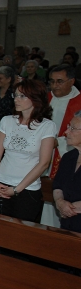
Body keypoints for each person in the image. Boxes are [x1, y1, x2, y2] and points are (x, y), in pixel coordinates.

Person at [0, 79, 55, 223]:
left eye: (22, 96)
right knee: (0, 233)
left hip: (27, 188)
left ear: (36, 99)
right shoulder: (7, 121)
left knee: (20, 236)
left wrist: (17, 189)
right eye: (16, 95)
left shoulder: (47, 126)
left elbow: (44, 163)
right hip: (2, 183)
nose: (17, 100)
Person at [40, 64, 81, 226]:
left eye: (59, 81)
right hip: (43, 151)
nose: (54, 86)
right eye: (52, 81)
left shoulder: (78, 102)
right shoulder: (46, 98)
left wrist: (56, 141)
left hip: (65, 151)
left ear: (71, 81)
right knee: (50, 191)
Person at [52, 111, 81, 232]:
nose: (66, 132)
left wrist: (69, 208)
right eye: (68, 126)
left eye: (72, 128)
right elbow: (57, 186)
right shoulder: (68, 157)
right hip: (67, 225)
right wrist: (60, 202)